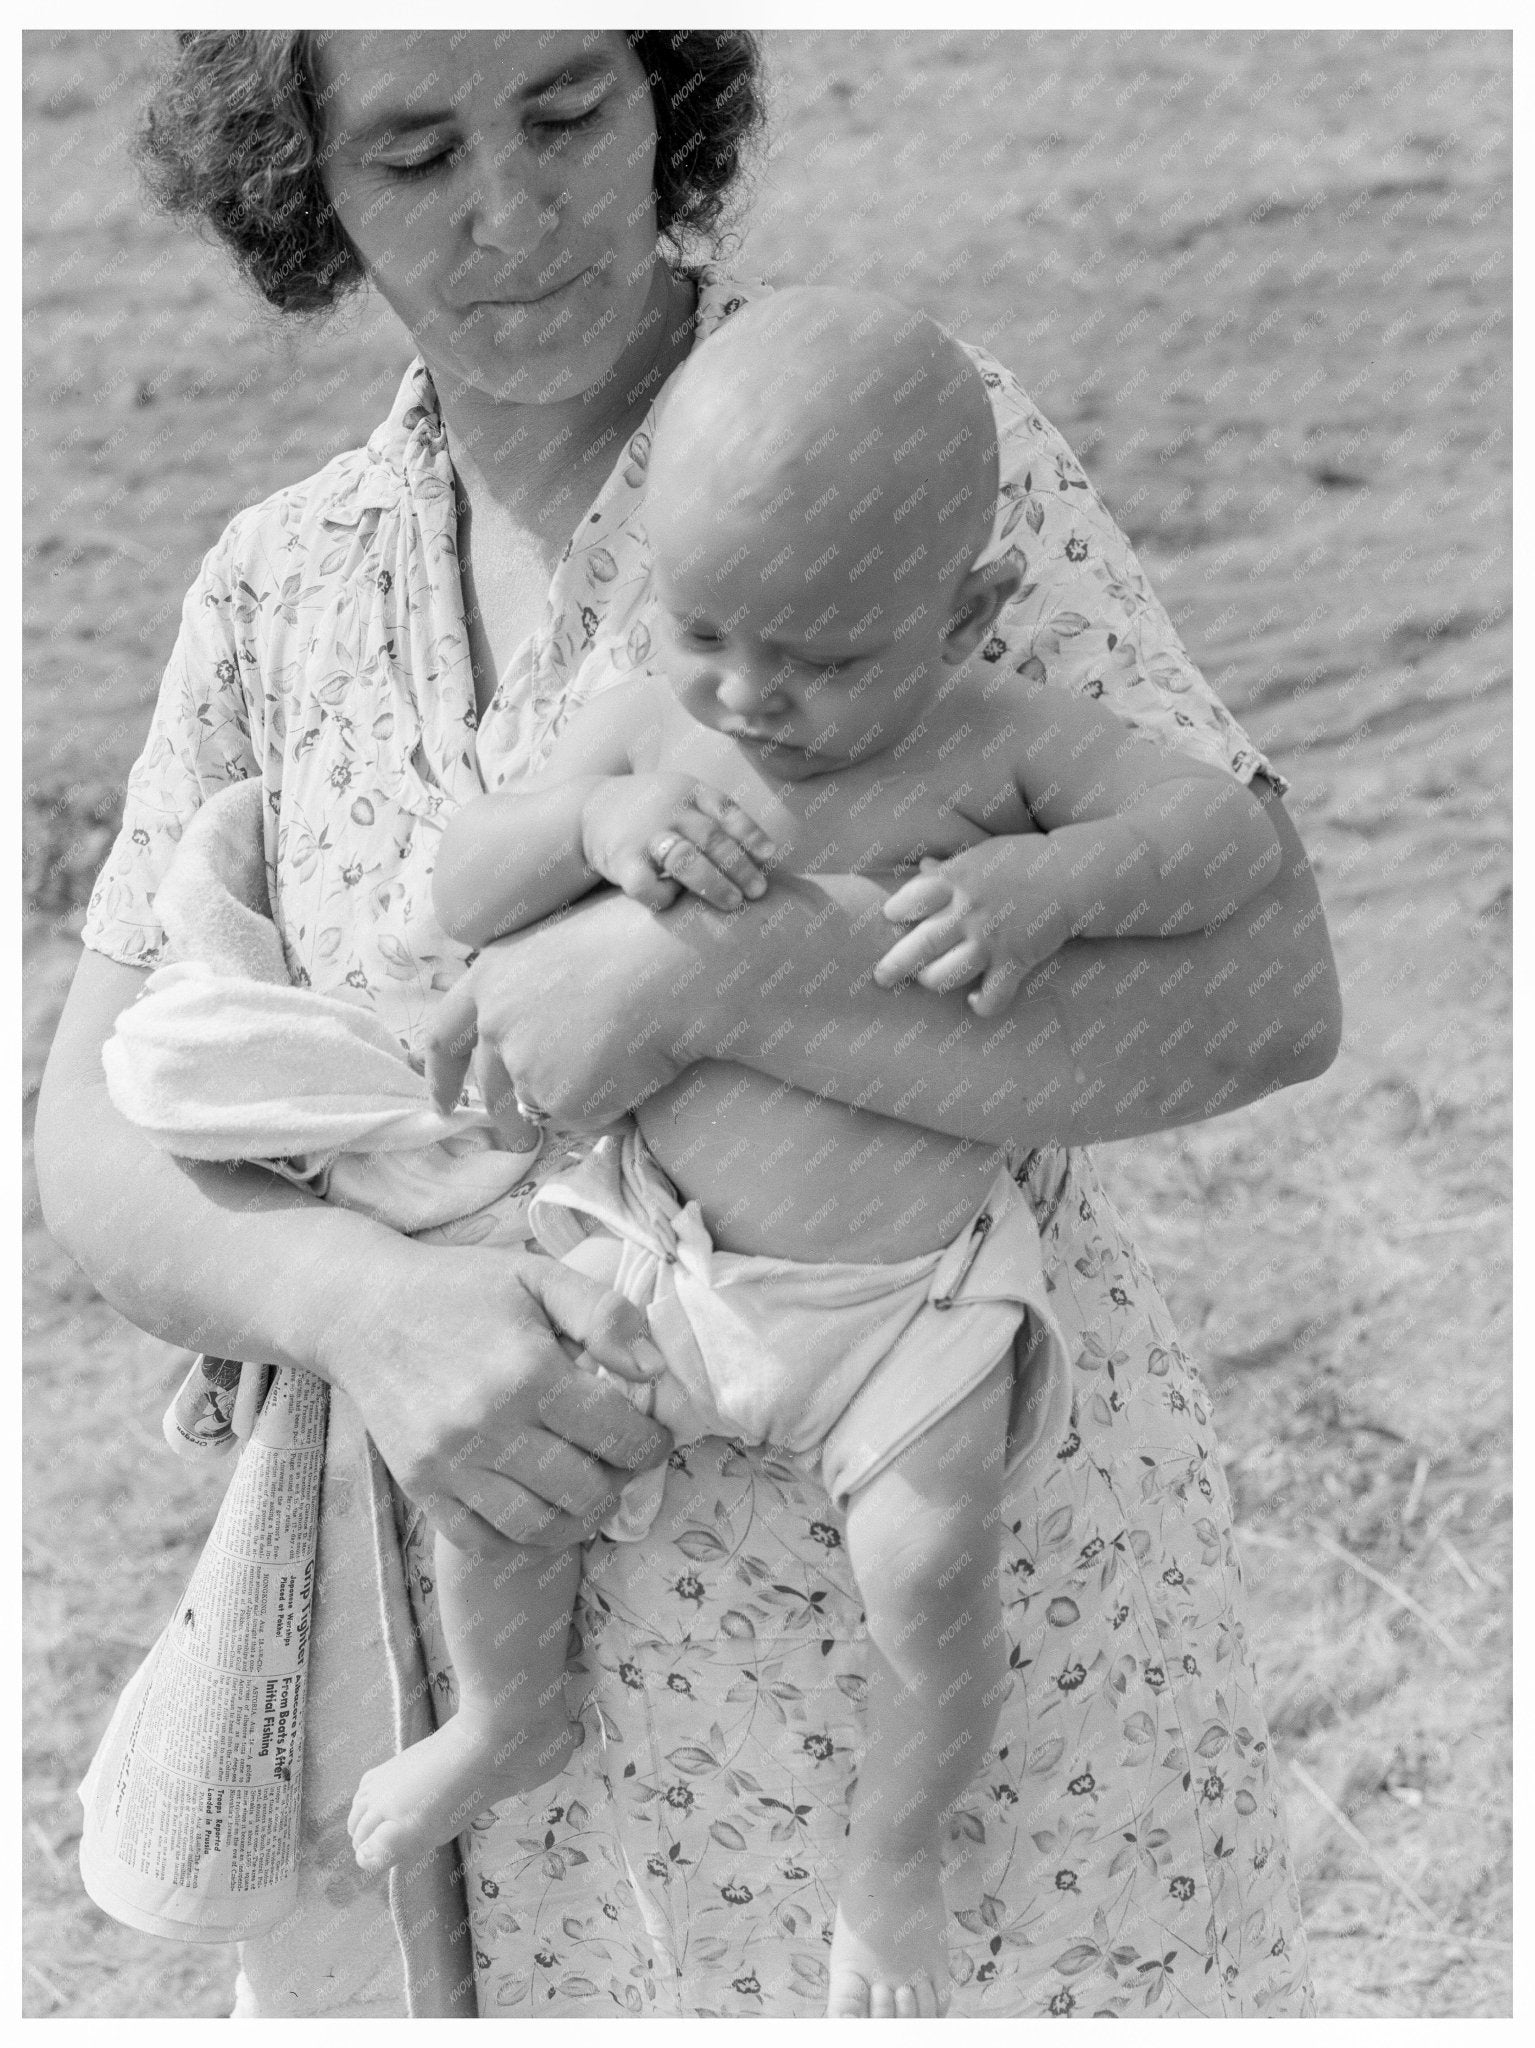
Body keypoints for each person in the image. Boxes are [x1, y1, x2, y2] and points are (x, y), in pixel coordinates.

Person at [35, 30, 1338, 2019]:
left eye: (568, 112)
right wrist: (361, 1311)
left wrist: (707, 973)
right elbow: (88, 1150)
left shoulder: (890, 446)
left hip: (968, 1741)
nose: (513, 207)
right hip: (534, 1821)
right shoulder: (275, 590)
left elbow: (1270, 989)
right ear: (307, 182)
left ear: (667, 96)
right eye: (412, 151)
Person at [374, 284, 1287, 2018]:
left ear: (968, 611)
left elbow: (1225, 840)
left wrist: (1054, 882)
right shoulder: (651, 723)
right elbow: (459, 889)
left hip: (905, 1306)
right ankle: (509, 1716)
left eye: (829, 656)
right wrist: (591, 820)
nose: (755, 694)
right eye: (711, 627)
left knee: (934, 1579)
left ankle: (893, 1860)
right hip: (666, 1265)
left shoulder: (1002, 740)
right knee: (502, 1471)